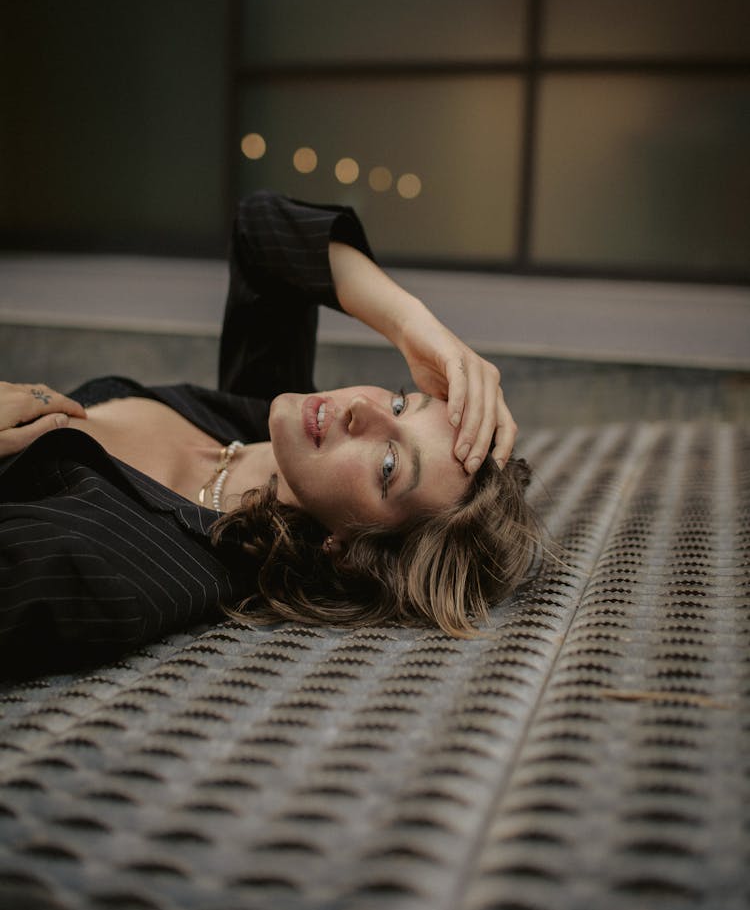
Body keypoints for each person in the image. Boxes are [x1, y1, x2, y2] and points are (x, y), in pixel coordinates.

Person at [0, 191, 539, 662]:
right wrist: (416, 327)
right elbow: (265, 229)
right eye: (401, 404)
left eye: (390, 465)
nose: (365, 411)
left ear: (348, 551)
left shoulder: (120, 568)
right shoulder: (259, 425)